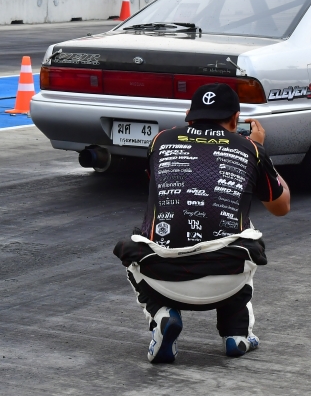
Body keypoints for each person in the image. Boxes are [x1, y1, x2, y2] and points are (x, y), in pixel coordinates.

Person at [114, 83, 291, 364]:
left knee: (131, 245)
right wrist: (259, 151)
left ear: (188, 115)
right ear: (236, 119)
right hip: (228, 277)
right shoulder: (249, 148)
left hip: (162, 277)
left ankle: (162, 315)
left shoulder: (160, 141)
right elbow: (282, 207)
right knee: (244, 230)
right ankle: (237, 334)